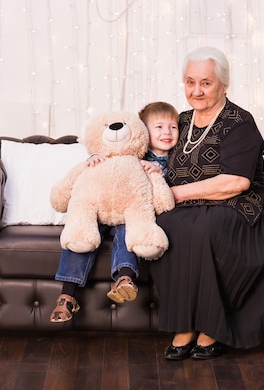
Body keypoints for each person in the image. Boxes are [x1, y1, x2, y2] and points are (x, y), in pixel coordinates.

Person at [150, 47, 264, 360]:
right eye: (190, 82)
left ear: (223, 85)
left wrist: (174, 194)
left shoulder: (239, 122)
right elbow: (150, 152)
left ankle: (211, 326)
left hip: (240, 209)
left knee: (204, 228)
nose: (196, 90)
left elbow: (237, 182)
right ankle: (184, 323)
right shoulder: (180, 121)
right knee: (164, 227)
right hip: (188, 209)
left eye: (205, 83)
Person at [50, 101, 180, 323]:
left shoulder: (178, 159)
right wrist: (92, 159)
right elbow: (106, 162)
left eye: (173, 127)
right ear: (144, 131)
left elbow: (166, 193)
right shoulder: (130, 148)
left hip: (131, 213)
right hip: (102, 209)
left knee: (127, 233)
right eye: (159, 127)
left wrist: (161, 170)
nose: (167, 132)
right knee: (81, 235)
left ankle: (125, 278)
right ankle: (67, 295)